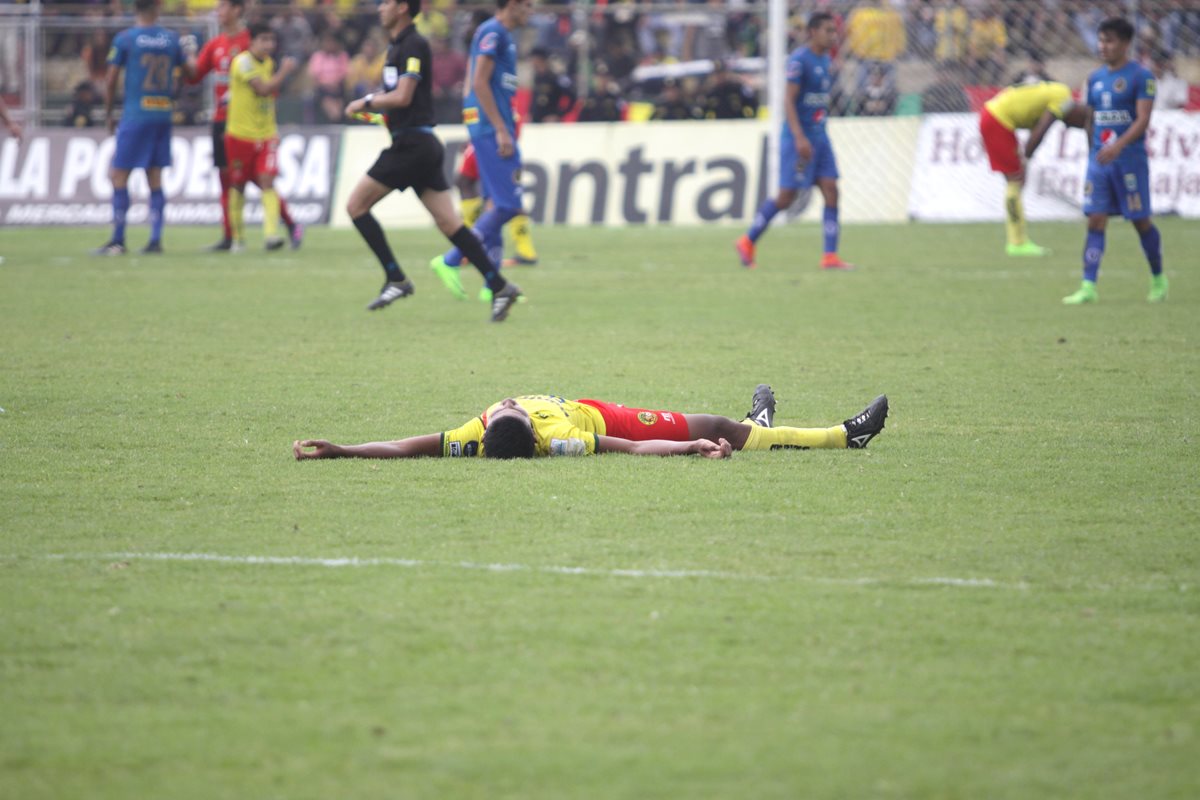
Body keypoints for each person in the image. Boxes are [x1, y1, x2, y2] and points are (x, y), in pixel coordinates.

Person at [343, 0, 522, 322]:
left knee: (356, 206)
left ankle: (395, 277)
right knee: (450, 224)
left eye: (385, 3)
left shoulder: (413, 44)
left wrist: (365, 101)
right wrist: (376, 112)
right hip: (418, 143)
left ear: (401, 8)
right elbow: (400, 103)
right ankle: (499, 285)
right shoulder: (397, 45)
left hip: (412, 146)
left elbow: (403, 96)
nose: (380, 8)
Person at [293, 386, 889, 461]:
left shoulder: (472, 437)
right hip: (608, 414)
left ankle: (755, 419)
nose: (503, 402)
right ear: (528, 429)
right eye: (509, 409)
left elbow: (403, 446)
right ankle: (845, 435)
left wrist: (342, 449)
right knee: (713, 424)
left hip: (602, 411)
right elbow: (627, 446)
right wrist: (689, 448)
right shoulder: (561, 440)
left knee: (728, 422)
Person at [427, 0, 533, 314]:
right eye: (526, 4)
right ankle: (450, 260)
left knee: (493, 202)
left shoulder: (502, 36)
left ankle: (492, 286)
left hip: (490, 126)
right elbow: (478, 82)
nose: (530, 9)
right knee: (508, 204)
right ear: (511, 4)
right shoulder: (494, 32)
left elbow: (474, 85)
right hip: (493, 129)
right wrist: (500, 128)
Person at [736, 13, 853, 272]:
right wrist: (799, 137)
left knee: (831, 189)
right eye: (827, 31)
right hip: (797, 138)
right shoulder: (799, 61)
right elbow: (788, 100)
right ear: (813, 32)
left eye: (834, 31)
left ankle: (830, 256)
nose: (833, 36)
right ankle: (747, 240)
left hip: (820, 136)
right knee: (786, 197)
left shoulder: (825, 58)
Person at [1065, 17, 1166, 305]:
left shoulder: (1141, 77)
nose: (1103, 46)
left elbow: (1143, 120)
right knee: (1095, 220)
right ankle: (1088, 286)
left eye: (1109, 41)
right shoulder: (1095, 78)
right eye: (1100, 40)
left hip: (1129, 161)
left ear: (1125, 43)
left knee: (1139, 220)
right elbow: (1091, 119)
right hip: (1100, 162)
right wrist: (1092, 152)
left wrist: (1118, 147)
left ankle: (1158, 277)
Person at [190, 0, 302, 253]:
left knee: (262, 179)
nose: (218, 12)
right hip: (226, 122)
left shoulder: (251, 43)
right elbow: (195, 75)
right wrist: (183, 59)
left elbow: (267, 91)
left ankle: (283, 227)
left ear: (236, 10)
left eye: (222, 7)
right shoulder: (215, 45)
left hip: (255, 127)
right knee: (230, 181)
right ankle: (231, 236)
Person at [93, 0, 196, 256]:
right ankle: (155, 240)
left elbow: (111, 79)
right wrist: (190, 55)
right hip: (162, 113)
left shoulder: (126, 39)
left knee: (118, 175)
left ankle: (118, 240)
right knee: (155, 177)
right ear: (158, 7)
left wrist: (108, 114)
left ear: (134, 8)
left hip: (136, 114)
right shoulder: (172, 39)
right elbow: (190, 73)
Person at [980, 77, 1082, 257]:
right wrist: (1026, 158)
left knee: (1017, 179)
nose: (1068, 125)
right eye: (1075, 123)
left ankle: (1017, 240)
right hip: (998, 119)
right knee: (1015, 179)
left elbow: (1029, 112)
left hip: (993, 114)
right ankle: (1017, 243)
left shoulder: (1056, 92)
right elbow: (1041, 129)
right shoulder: (1064, 98)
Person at [224, 23, 298, 252]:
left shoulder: (269, 63)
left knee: (267, 181)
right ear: (252, 42)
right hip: (239, 134)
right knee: (237, 185)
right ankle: (238, 238)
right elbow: (263, 89)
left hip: (266, 135)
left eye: (272, 40)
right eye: (264, 40)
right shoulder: (243, 62)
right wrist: (284, 72)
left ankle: (271, 235)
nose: (269, 45)